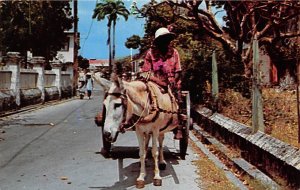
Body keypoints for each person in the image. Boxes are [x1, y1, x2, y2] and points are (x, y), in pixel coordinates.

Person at [141, 27, 183, 139]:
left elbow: (178, 70)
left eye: (167, 39)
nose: (165, 42)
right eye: (162, 40)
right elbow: (146, 72)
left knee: (179, 99)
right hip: (155, 81)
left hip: (172, 81)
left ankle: (179, 126)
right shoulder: (151, 54)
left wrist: (173, 81)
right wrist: (158, 81)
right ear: (158, 41)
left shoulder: (174, 53)